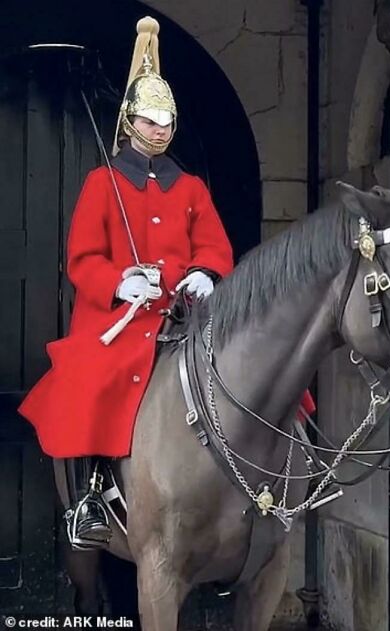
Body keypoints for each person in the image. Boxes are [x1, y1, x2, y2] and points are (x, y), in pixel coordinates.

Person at [18, 17, 234, 549]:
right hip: (121, 318)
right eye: (149, 120)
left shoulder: (190, 188)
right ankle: (91, 494)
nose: (158, 129)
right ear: (130, 122)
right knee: (91, 377)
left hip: (184, 314)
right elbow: (82, 259)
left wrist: (205, 273)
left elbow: (213, 245)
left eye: (166, 121)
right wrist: (121, 283)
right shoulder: (102, 183)